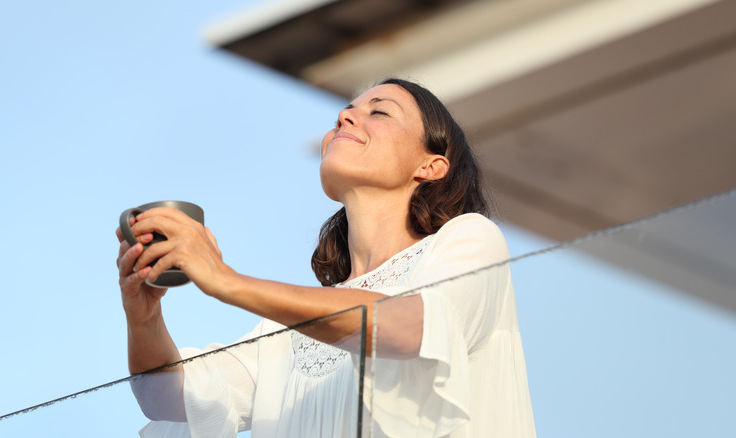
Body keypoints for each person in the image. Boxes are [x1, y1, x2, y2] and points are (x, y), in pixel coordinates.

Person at [116, 78, 536, 438]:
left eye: (380, 112)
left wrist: (224, 279)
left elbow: (410, 328)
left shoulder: (469, 240)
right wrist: (143, 315)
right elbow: (166, 398)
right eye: (347, 110)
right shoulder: (284, 329)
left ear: (431, 165)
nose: (344, 118)